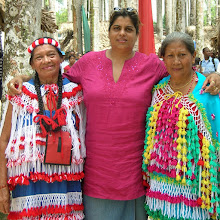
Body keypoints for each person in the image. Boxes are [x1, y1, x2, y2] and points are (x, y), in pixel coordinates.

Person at [6, 8, 220, 220]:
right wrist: (23, 77)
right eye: (116, 28)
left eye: (129, 29)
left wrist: (214, 76)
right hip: (97, 170)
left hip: (135, 170)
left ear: (137, 34)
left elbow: (181, 73)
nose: (122, 33)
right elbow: (54, 77)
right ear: (108, 32)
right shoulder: (88, 62)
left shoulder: (152, 65)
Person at [0, 37, 86, 219]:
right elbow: (4, 140)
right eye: (39, 57)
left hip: (66, 185)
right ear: (32, 64)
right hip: (28, 185)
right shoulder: (20, 94)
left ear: (61, 59)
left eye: (51, 55)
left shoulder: (76, 93)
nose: (46, 61)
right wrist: (2, 186)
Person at [142, 32, 220, 220]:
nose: (176, 61)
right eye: (170, 55)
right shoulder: (157, 90)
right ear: (163, 59)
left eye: (182, 55)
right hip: (161, 183)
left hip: (198, 185)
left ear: (193, 56)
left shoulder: (209, 89)